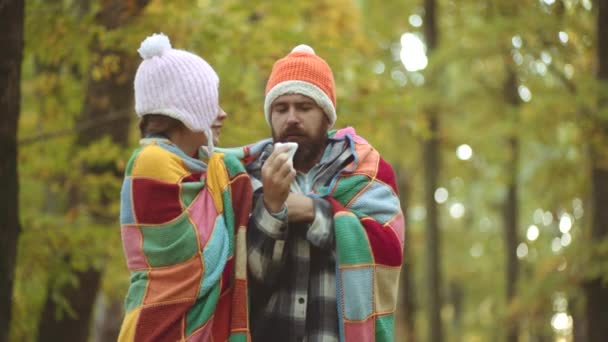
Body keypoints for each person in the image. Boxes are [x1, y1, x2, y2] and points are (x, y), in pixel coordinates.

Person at [224, 44, 405, 342]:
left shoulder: (367, 170)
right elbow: (250, 275)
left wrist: (313, 211)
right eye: (281, 109)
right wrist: (271, 205)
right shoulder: (247, 176)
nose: (291, 118)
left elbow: (388, 251)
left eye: (304, 107)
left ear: (326, 116)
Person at [117, 33, 252, 341]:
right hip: (158, 327)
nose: (222, 114)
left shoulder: (197, 166)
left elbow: (227, 160)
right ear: (186, 109)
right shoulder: (150, 163)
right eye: (211, 102)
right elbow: (199, 258)